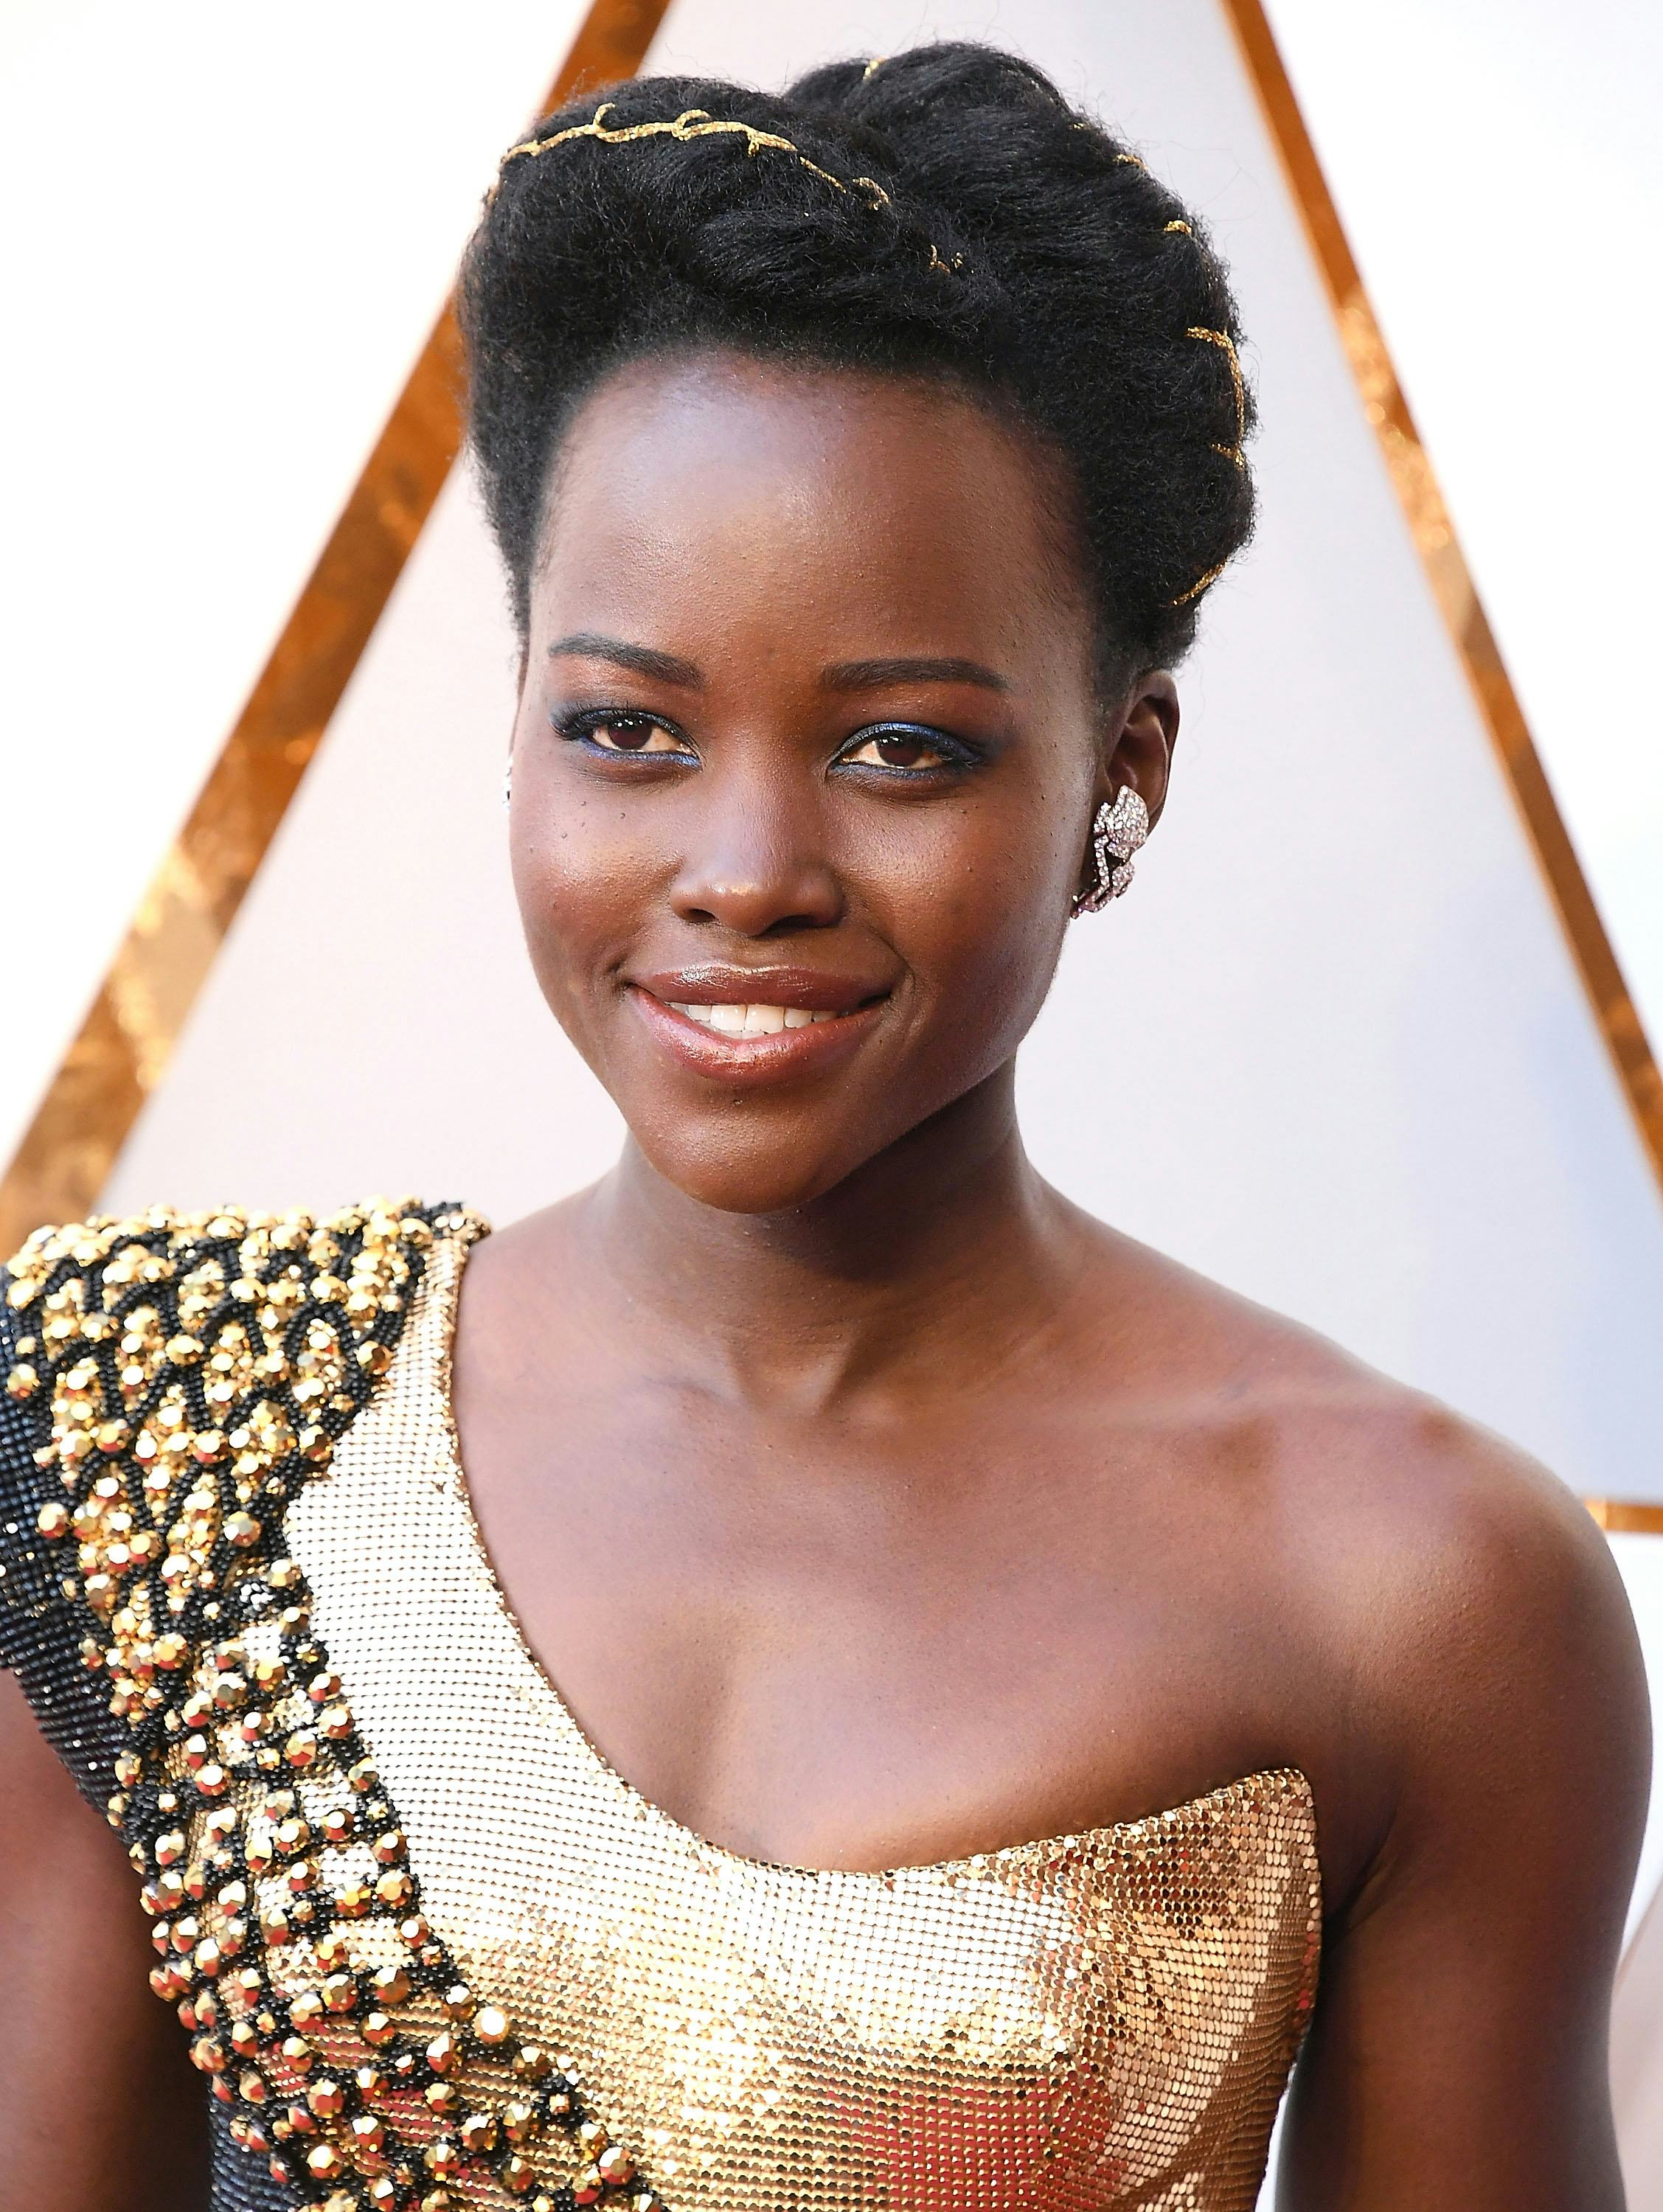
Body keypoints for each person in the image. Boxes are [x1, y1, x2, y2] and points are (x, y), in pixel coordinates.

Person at [0, 43, 1648, 2212]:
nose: (748, 866)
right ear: (521, 735)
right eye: (629, 730)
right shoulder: (163, 1435)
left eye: (898, 748)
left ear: (1117, 776)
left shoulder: (1415, 1594)